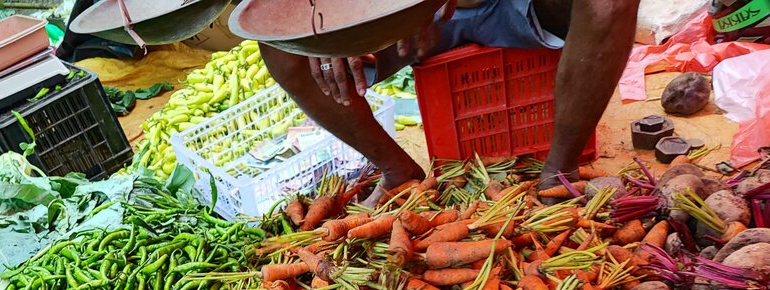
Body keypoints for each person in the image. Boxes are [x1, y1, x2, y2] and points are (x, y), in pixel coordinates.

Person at [259, 0, 641, 199]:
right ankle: (398, 173)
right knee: (283, 45)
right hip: (399, 19)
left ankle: (558, 178)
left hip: (522, 7)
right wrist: (323, 24)